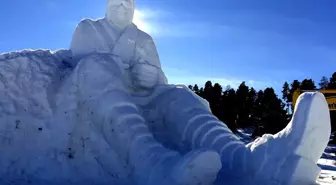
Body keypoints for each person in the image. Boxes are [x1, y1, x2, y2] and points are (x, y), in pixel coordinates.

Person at [69, 0, 331, 184]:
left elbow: (161, 78)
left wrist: (153, 76)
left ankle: (250, 161)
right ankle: (155, 165)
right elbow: (81, 66)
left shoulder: (144, 39)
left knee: (181, 95)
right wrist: (123, 72)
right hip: (107, 101)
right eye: (116, 0)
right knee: (96, 67)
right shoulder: (88, 29)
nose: (122, 5)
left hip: (148, 100)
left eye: (128, 1)